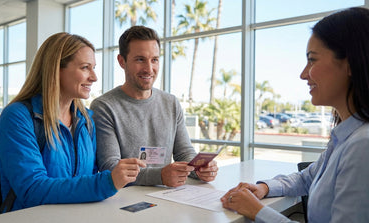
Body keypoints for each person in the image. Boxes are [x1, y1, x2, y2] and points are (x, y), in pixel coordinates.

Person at [221, 7, 369, 223]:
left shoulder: (362, 146)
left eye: (312, 60)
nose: (303, 74)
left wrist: (257, 211)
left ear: (349, 64)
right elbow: (308, 177)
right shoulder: (346, 137)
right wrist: (263, 187)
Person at [0, 32, 146, 212]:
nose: (94, 77)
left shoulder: (86, 120)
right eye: (85, 68)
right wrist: (107, 182)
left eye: (93, 68)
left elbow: (88, 178)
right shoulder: (17, 117)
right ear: (56, 69)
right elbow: (32, 189)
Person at [90, 25, 218, 187]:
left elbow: (184, 152)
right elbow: (110, 166)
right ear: (122, 61)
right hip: (125, 201)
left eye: (154, 60)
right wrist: (160, 176)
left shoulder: (171, 103)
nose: (149, 69)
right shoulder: (104, 107)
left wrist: (199, 169)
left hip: (166, 196)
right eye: (140, 59)